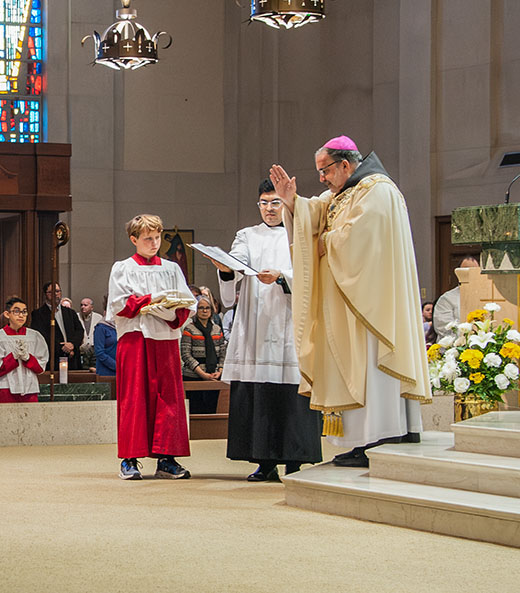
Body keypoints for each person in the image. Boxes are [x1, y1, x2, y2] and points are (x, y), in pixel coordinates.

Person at [270, 135, 431, 468]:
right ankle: (362, 440)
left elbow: (359, 238)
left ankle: (381, 436)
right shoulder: (343, 194)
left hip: (371, 307)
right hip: (349, 304)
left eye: (325, 170)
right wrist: (292, 202)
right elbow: (312, 215)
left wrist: (324, 240)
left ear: (345, 164)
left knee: (371, 366)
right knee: (353, 368)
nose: (322, 179)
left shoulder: (379, 190)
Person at [210, 178, 322, 481]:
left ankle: (295, 461)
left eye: (275, 202)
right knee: (260, 395)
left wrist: (283, 276)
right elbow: (238, 264)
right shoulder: (246, 235)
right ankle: (265, 462)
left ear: (285, 202)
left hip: (288, 323)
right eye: (264, 203)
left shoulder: (299, 232)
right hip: (256, 324)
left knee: (290, 393)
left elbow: (312, 272)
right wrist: (225, 268)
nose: (269, 209)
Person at [108, 214, 196, 480]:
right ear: (134, 239)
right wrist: (150, 301)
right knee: (134, 398)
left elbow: (187, 304)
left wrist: (168, 310)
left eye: (157, 237)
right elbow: (119, 304)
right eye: (148, 238)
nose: (154, 243)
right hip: (135, 339)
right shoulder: (122, 268)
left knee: (168, 399)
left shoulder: (171, 269)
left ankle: (167, 459)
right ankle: (130, 459)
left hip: (165, 340)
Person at [0, 297, 48, 402]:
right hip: (6, 387)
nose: (21, 315)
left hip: (30, 388)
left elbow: (41, 367)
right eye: (16, 311)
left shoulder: (35, 336)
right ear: (7, 314)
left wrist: (28, 358)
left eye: (24, 312)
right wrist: (13, 358)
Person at [180, 296, 227, 415]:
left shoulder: (217, 329)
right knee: (196, 411)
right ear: (196, 310)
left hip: (214, 375)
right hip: (193, 376)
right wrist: (202, 373)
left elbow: (223, 352)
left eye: (207, 308)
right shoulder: (189, 329)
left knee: (211, 411)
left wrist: (220, 370)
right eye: (201, 308)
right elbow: (186, 354)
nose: (205, 311)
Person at [30, 282, 85, 370]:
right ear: (45, 294)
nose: (55, 294)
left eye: (57, 291)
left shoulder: (70, 312)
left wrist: (72, 345)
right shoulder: (38, 314)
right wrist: (63, 348)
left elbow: (79, 331)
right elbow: (42, 336)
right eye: (51, 292)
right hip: (53, 358)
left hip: (72, 358)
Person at [432, 257, 480, 340]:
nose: (470, 274)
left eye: (474, 270)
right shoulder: (447, 299)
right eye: (466, 270)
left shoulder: (485, 296)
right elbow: (444, 328)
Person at [78, 297, 103, 368]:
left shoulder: (98, 317)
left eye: (85, 305)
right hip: (80, 351)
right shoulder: (76, 317)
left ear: (91, 307)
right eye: (81, 305)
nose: (83, 307)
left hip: (94, 351)